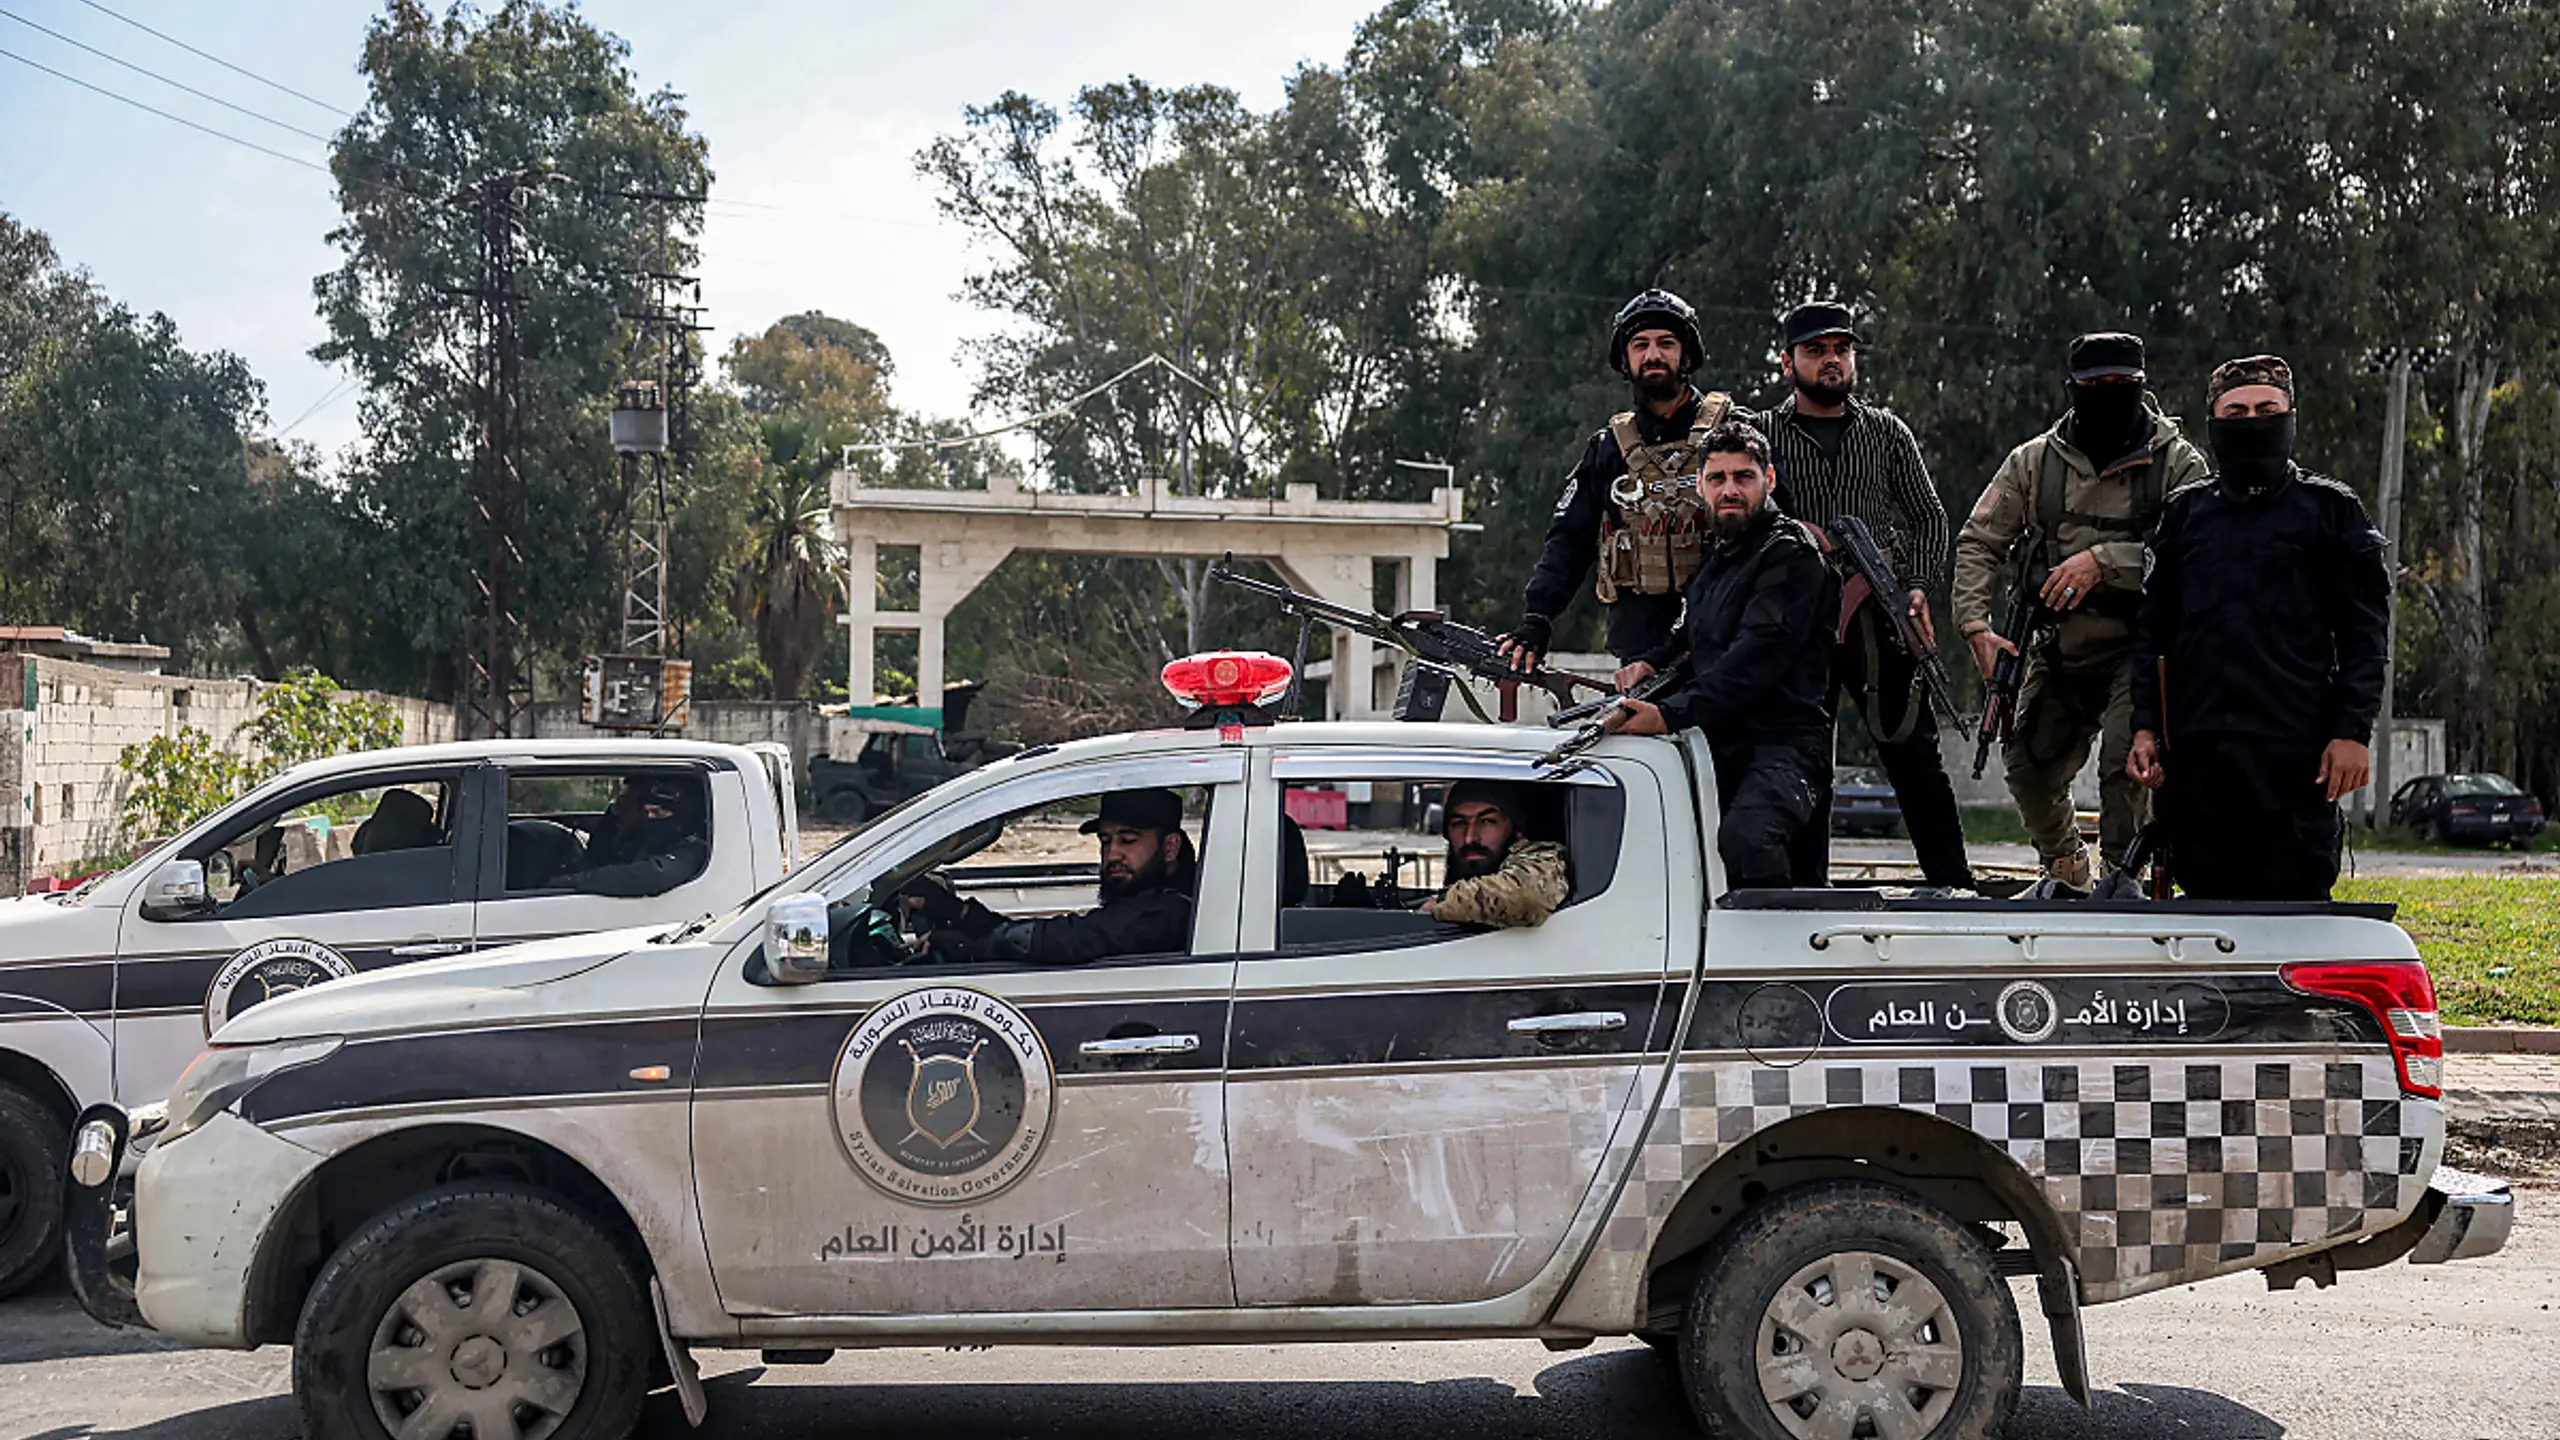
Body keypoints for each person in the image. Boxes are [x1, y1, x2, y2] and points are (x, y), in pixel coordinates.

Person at [2127, 355, 2391, 900]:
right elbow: (2152, 635)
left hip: (2296, 762)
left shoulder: (2332, 511)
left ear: (2291, 416)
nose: (2254, 421)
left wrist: (2352, 734)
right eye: (2238, 411)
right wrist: (2146, 729)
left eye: (2268, 409)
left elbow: (2366, 637)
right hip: (2199, 763)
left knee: (2296, 917)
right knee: (2202, 916)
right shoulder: (2184, 517)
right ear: (2215, 422)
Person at [1952, 333, 2209, 888]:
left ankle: (2125, 883)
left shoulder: (2176, 463)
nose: (2108, 396)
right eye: (2095, 387)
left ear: (2142, 387)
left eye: (2121, 386)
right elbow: (1979, 542)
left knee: (2127, 765)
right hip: (2061, 645)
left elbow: (2198, 555)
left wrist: (2105, 562)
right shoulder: (2034, 462)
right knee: (2028, 764)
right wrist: (1976, 627)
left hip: (2142, 646)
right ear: (2074, 390)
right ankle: (2069, 870)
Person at [1740, 301, 1972, 890]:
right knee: (1803, 757)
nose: (1832, 361)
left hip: (1878, 615)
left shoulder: (1886, 432)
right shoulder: (1760, 436)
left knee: (1914, 753)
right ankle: (1806, 893)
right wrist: (1798, 534)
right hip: (1793, 620)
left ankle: (1955, 886)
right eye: (1816, 351)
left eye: (1841, 350)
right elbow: (1738, 510)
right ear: (1788, 362)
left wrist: (1917, 586)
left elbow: (1928, 517)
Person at [1603, 422, 1839, 889]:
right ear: (1700, 486)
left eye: (1743, 477)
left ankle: (1772, 959)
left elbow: (1751, 661)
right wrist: (1650, 662)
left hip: (1785, 747)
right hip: (1718, 743)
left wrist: (1666, 714)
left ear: (1768, 480)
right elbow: (1689, 628)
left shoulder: (1791, 555)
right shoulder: (1720, 556)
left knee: (1747, 840)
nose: (1730, 490)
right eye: (1718, 478)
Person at [1501, 288, 1735, 672]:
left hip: (1725, 644)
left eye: (1666, 343)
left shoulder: (1736, 434)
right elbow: (1569, 540)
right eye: (1640, 344)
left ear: (1687, 354)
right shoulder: (1608, 449)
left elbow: (1775, 531)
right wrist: (1538, 618)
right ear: (1625, 360)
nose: (1653, 355)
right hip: (1641, 651)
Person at [905, 788, 1196, 965]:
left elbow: (1071, 939)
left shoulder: (1165, 913)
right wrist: (959, 913)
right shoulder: (1148, 898)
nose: (1113, 855)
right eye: (1106, 841)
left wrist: (964, 948)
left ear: (1170, 847)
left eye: (1128, 841)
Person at [1421, 780, 1568, 928]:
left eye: (1487, 822)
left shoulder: (1541, 857)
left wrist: (1441, 903)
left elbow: (1526, 896)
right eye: (1459, 823)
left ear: (1516, 829)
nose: (1470, 838)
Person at [567, 778, 709, 898]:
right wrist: (614, 816)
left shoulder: (693, 849)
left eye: (657, 812)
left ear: (681, 817)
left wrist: (573, 881)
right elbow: (598, 857)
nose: (649, 818)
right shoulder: (638, 839)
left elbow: (653, 875)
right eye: (646, 811)